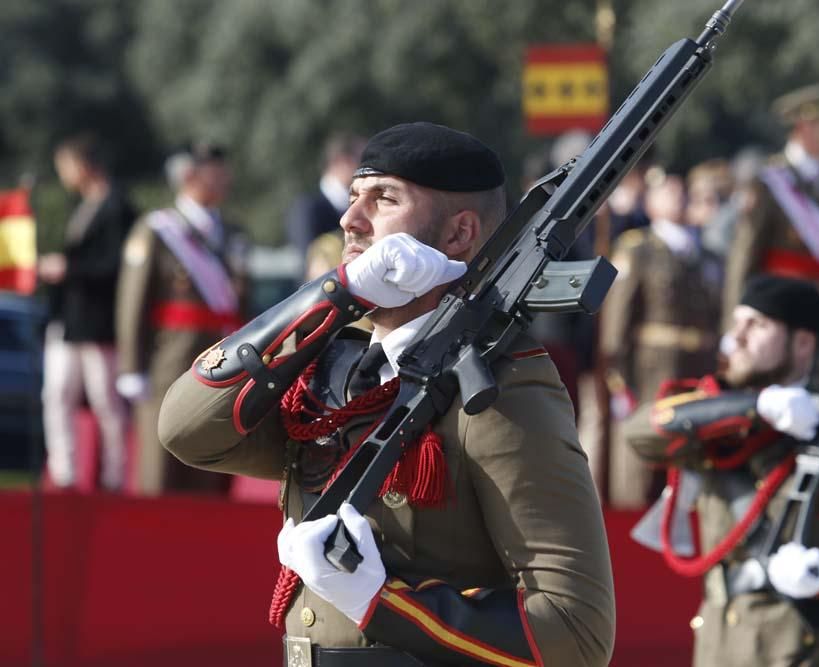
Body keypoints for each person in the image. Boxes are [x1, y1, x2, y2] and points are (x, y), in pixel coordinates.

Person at [158, 122, 615, 666]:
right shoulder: (330, 372)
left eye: (384, 199)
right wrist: (336, 296)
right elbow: (185, 428)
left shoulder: (501, 388)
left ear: (458, 235)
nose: (351, 219)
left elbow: (576, 634)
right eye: (353, 197)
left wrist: (385, 604)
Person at [623, 275, 819, 666]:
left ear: (802, 342)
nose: (735, 338)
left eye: (756, 325)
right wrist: (759, 407)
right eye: (737, 323)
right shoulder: (718, 419)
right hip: (719, 646)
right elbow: (640, 434)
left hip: (809, 650)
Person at [115, 142, 249, 495]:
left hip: (224, 367)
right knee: (162, 472)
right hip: (170, 366)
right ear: (189, 176)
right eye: (215, 172)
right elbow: (133, 304)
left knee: (212, 470)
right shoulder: (157, 231)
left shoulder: (233, 233)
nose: (225, 180)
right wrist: (132, 369)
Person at [600, 170, 722, 508]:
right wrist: (619, 376)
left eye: (683, 190)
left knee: (694, 460)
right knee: (647, 462)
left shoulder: (706, 254)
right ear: (650, 202)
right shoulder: (638, 249)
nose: (679, 197)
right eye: (668, 191)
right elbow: (618, 319)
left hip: (699, 371)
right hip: (653, 372)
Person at [722, 83, 819, 328]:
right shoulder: (769, 184)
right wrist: (733, 330)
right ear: (806, 127)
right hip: (783, 318)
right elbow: (743, 261)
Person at [37, 134, 135, 491]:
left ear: (82, 165)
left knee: (105, 401)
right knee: (56, 394)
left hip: (98, 322)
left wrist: (69, 268)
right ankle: (65, 472)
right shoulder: (79, 207)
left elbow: (116, 267)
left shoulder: (117, 208)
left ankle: (114, 475)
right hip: (69, 320)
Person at [287, 133, 367, 277]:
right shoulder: (307, 208)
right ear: (341, 161)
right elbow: (311, 260)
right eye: (362, 161)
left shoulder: (360, 205)